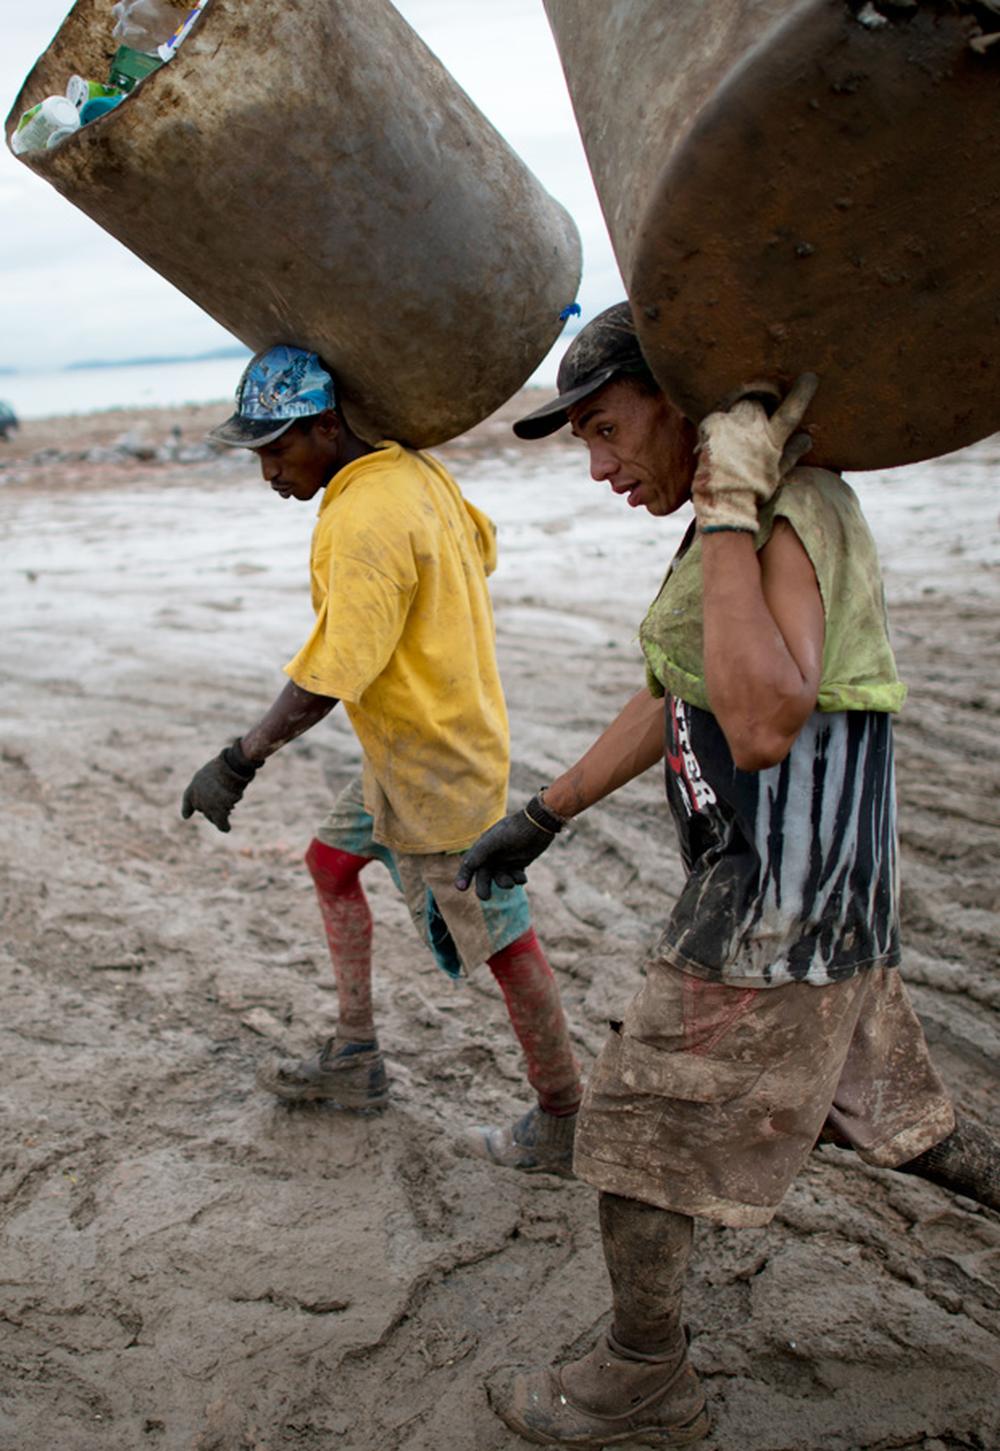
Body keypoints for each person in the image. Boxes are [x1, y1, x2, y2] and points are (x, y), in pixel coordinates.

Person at [454, 303, 999, 1447]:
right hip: (817, 897)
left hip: (773, 914)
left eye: (607, 431)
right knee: (896, 1116)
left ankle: (642, 1377)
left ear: (679, 400)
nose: (599, 467)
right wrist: (545, 813)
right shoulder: (741, 521)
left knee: (638, 1137)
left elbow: (756, 722)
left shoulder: (781, 514)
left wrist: (727, 509)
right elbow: (681, 688)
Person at [180, 345, 581, 1172]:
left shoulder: (361, 518)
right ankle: (356, 1055)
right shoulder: (411, 472)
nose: (267, 474)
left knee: (501, 938)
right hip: (413, 741)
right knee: (330, 862)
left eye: (276, 449)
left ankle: (563, 1112)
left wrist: (239, 758)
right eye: (257, 454)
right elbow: (484, 544)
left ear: (327, 426)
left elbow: (334, 672)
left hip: (437, 763)